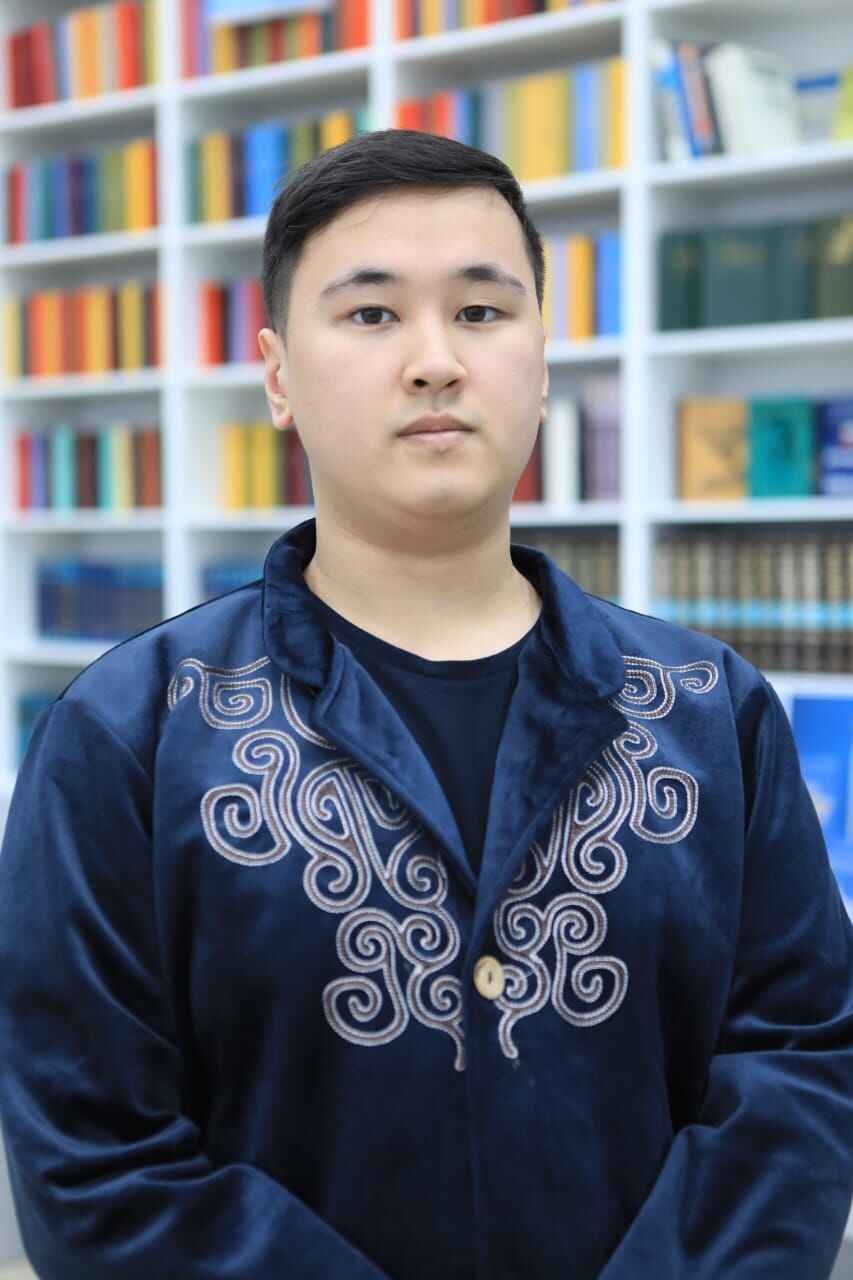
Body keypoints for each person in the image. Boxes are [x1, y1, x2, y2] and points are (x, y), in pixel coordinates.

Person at [0, 127, 851, 1280]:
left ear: (541, 362)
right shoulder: (131, 732)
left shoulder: (710, 713)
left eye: (481, 311)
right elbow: (93, 1160)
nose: (435, 360)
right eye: (371, 313)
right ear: (277, 375)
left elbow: (799, 1067)